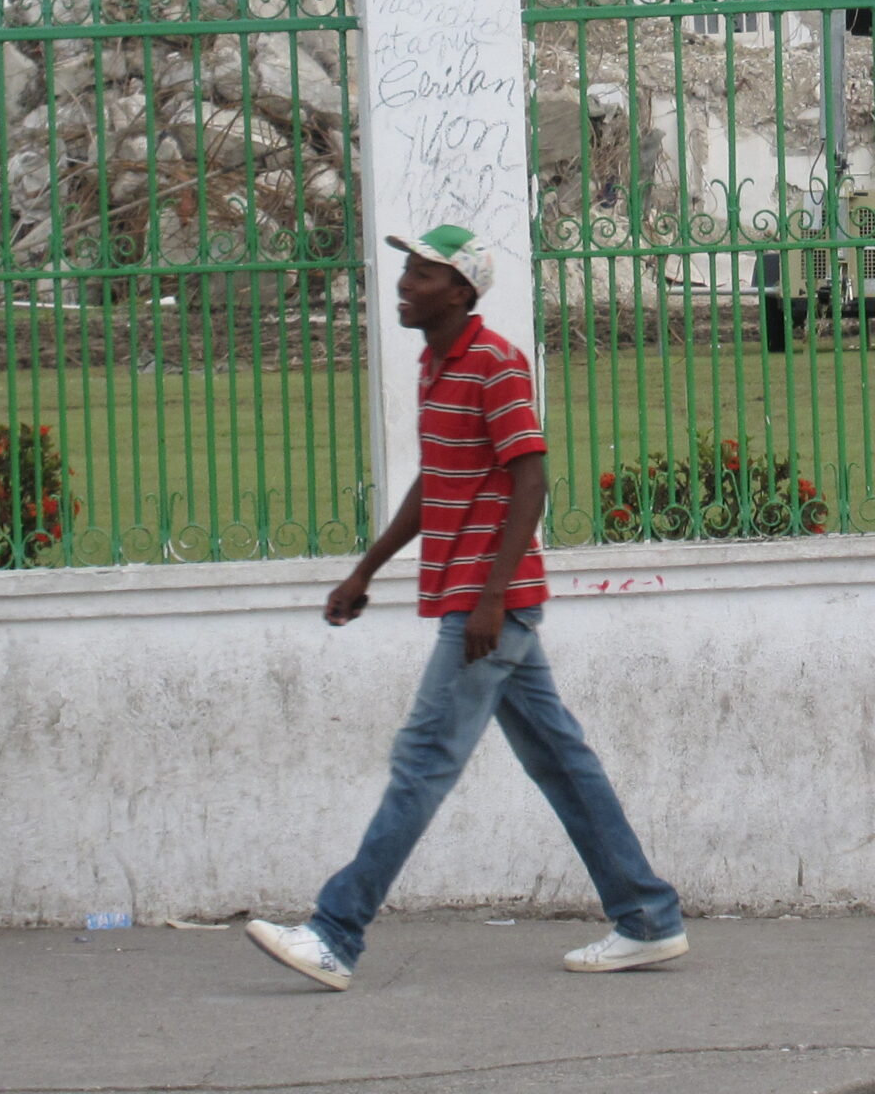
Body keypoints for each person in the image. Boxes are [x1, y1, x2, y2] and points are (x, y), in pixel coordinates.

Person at [245, 226, 684, 991]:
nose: (404, 284)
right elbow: (438, 483)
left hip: (489, 606)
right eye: (407, 270)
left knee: (422, 761)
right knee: (562, 761)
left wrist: (488, 599)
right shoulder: (435, 365)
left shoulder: (496, 364)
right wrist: (364, 572)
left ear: (461, 291)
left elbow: (532, 480)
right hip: (479, 601)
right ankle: (648, 917)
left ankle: (335, 933)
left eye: (421, 274)